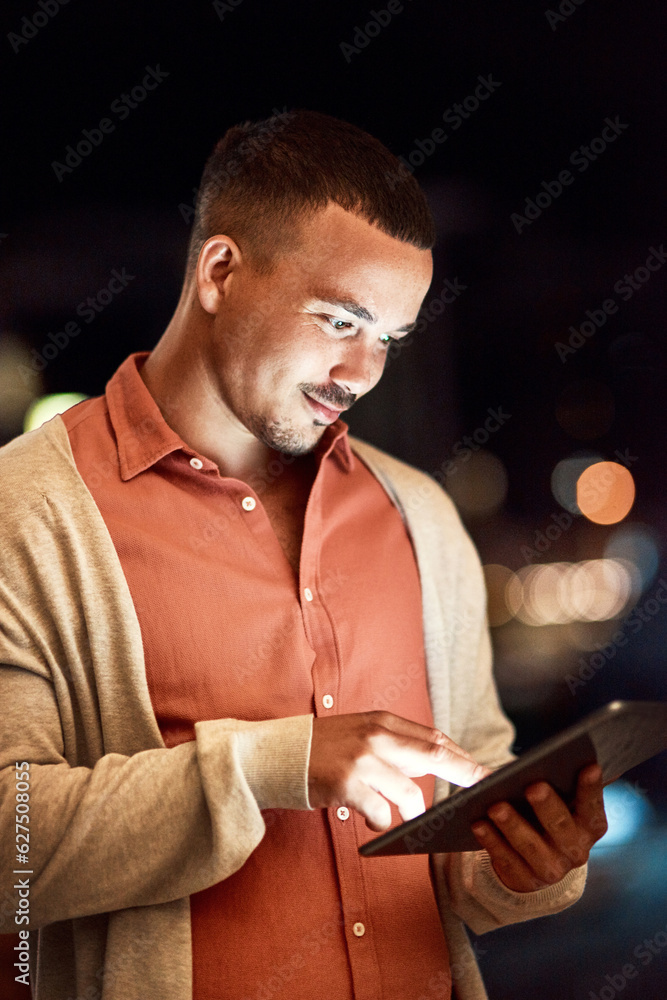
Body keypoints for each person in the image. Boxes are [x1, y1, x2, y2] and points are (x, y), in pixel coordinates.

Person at [0, 109, 607, 1000]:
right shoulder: (27, 511)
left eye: (388, 340)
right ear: (218, 271)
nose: (363, 373)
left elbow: (460, 857)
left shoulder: (421, 517)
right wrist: (271, 765)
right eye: (338, 320)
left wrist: (522, 865)